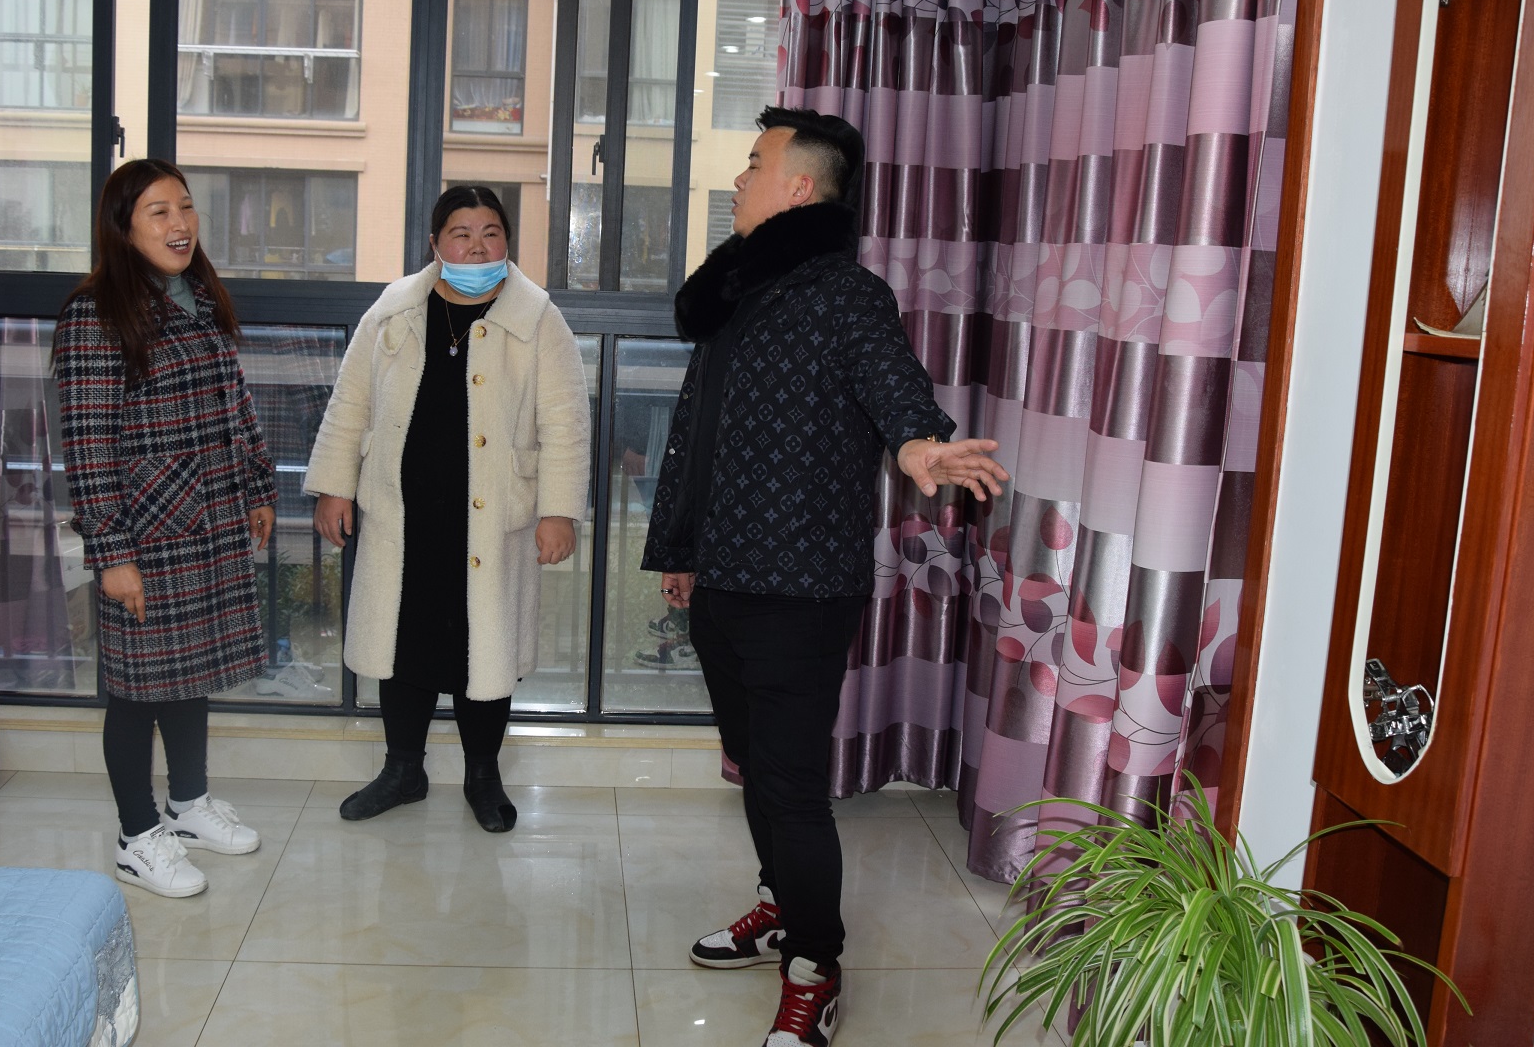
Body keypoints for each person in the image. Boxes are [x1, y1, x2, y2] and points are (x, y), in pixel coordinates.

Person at [643, 108, 1009, 1046]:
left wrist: (921, 446)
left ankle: (815, 965)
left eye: (754, 164)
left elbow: (892, 384)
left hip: (799, 588)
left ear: (800, 186)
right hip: (724, 576)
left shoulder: (847, 295)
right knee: (753, 765)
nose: (740, 178)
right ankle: (780, 905)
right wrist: (681, 549)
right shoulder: (741, 292)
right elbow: (699, 430)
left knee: (791, 784)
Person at [306, 186, 590, 833]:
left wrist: (559, 511)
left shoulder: (538, 318)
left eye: (492, 233)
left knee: (482, 648)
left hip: (493, 518)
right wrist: (334, 486)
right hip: (400, 514)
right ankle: (402, 770)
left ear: (507, 242)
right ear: (435, 243)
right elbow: (350, 403)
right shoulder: (393, 310)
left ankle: (482, 776)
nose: (478, 247)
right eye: (462, 234)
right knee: (399, 641)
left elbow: (567, 423)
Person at [53, 159, 276, 900]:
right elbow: (87, 447)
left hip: (210, 516)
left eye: (185, 207)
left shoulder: (198, 297)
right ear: (123, 227)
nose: (180, 224)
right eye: (159, 211)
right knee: (136, 688)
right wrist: (111, 553)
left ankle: (187, 806)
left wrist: (257, 486)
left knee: (191, 669)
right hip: (147, 530)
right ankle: (136, 836)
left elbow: (234, 402)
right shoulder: (95, 314)